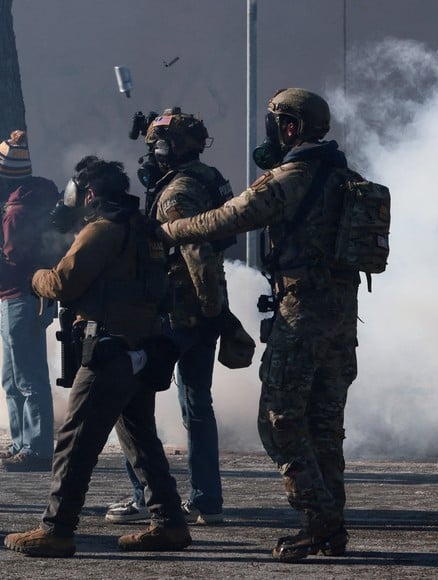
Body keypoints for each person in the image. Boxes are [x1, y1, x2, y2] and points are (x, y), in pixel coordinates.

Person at [157, 88, 358, 561]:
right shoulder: (343, 174)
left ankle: (318, 521)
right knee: (324, 424)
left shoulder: (293, 176)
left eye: (274, 123)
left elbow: (233, 216)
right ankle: (331, 525)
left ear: (290, 127)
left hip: (302, 312)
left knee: (279, 421)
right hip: (341, 314)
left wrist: (170, 230)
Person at [4, 156, 191, 557]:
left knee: (75, 442)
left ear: (89, 195)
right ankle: (170, 523)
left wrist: (35, 276)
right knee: (141, 440)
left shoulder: (102, 230)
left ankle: (57, 529)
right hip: (144, 348)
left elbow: (63, 283)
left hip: (109, 351)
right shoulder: (144, 230)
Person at [105, 108, 233, 526]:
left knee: (134, 403)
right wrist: (215, 311)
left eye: (155, 146)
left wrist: (207, 308)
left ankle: (146, 495)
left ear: (168, 148)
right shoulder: (208, 179)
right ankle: (207, 501)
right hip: (202, 311)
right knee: (197, 406)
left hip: (174, 314)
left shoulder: (177, 192)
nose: (150, 155)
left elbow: (195, 251)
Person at [0, 130, 59, 472]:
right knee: (13, 378)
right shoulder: (33, 201)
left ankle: (36, 449)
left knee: (27, 377)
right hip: (24, 298)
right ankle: (22, 442)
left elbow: (12, 257)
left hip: (20, 298)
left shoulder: (16, 212)